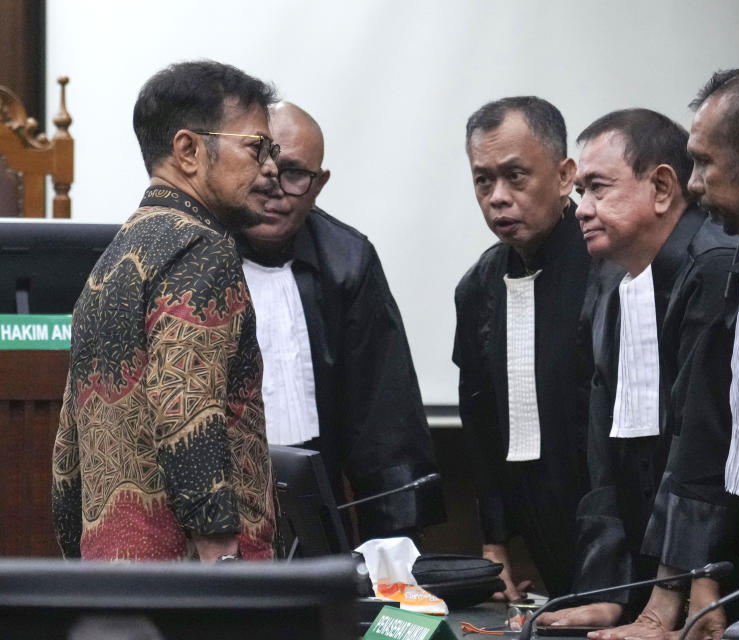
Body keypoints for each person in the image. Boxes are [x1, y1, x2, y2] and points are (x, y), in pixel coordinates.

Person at [593, 69, 739, 640]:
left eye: (704, 163)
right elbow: (710, 422)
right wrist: (681, 585)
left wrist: (699, 582)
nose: (695, 185)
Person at [51, 61, 279, 561]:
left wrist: (80, 568)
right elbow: (188, 412)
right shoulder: (201, 249)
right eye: (257, 147)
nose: (271, 168)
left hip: (111, 583)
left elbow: (68, 454)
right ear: (189, 150)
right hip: (189, 590)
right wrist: (223, 573)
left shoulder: (110, 263)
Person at [535, 110, 737, 629]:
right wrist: (609, 590)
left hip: (720, 574)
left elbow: (704, 443)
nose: (581, 209)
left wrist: (675, 593)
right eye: (581, 192)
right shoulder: (611, 281)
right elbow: (605, 446)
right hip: (653, 572)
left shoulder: (715, 266)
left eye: (598, 188)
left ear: (664, 187)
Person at [239, 101, 444, 539]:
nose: (272, 187)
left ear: (320, 184)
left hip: (313, 513)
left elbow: (385, 421)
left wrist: (393, 550)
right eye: (261, 166)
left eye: (293, 173)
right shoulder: (191, 256)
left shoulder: (348, 261)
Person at [453, 96, 591, 599]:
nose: (498, 197)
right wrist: (494, 544)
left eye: (516, 176)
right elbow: (480, 420)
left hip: (619, 520)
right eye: (483, 180)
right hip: (537, 516)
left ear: (564, 176)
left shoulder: (610, 268)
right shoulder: (479, 286)